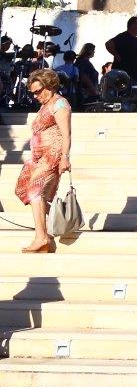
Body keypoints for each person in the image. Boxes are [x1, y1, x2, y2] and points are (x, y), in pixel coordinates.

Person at [15, 68, 71, 254]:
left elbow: (66, 134)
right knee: (23, 189)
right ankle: (49, 231)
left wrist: (64, 157)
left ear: (50, 86)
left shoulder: (60, 104)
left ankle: (42, 237)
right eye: (33, 93)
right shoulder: (44, 105)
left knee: (35, 191)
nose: (35, 95)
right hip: (38, 157)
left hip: (52, 154)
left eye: (38, 91)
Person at [105, 15, 137, 83]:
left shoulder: (134, 39)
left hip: (135, 77)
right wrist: (117, 56)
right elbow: (108, 44)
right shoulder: (124, 36)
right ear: (132, 25)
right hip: (126, 77)